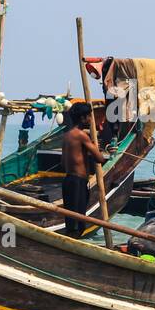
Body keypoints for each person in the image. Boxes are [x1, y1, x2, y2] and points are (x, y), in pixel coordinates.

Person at [60, 101, 105, 239]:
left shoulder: (66, 135)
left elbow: (64, 162)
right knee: (79, 223)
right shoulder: (81, 135)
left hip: (68, 181)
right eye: (89, 116)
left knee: (71, 221)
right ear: (82, 118)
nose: (91, 120)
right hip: (78, 182)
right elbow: (99, 158)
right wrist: (93, 146)